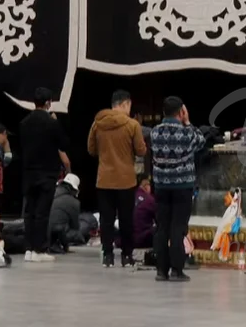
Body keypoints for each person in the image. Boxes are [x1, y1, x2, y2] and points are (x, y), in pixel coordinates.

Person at [88, 88, 146, 268]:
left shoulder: (97, 123)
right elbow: (141, 150)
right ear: (124, 104)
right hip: (126, 179)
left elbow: (91, 149)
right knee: (126, 218)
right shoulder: (132, 125)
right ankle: (127, 255)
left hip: (104, 179)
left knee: (106, 219)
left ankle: (107, 256)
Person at [149, 96, 206, 282]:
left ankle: (161, 271)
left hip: (161, 186)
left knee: (162, 227)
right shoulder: (186, 133)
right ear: (181, 112)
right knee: (178, 228)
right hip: (182, 186)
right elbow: (201, 141)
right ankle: (177, 270)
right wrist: (188, 122)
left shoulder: (154, 133)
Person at [18, 87, 70, 263]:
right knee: (42, 213)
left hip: (28, 172)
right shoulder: (51, 122)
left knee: (29, 212)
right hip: (46, 173)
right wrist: (55, 121)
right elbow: (63, 144)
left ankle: (28, 249)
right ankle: (40, 249)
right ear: (48, 103)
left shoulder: (24, 122)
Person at [48, 173, 84, 252]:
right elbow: (75, 226)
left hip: (41, 232)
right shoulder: (74, 202)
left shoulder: (50, 192)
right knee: (79, 234)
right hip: (55, 232)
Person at [133, 177, 156, 250]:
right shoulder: (150, 199)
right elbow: (159, 219)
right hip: (143, 239)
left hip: (127, 240)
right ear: (146, 186)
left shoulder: (131, 197)